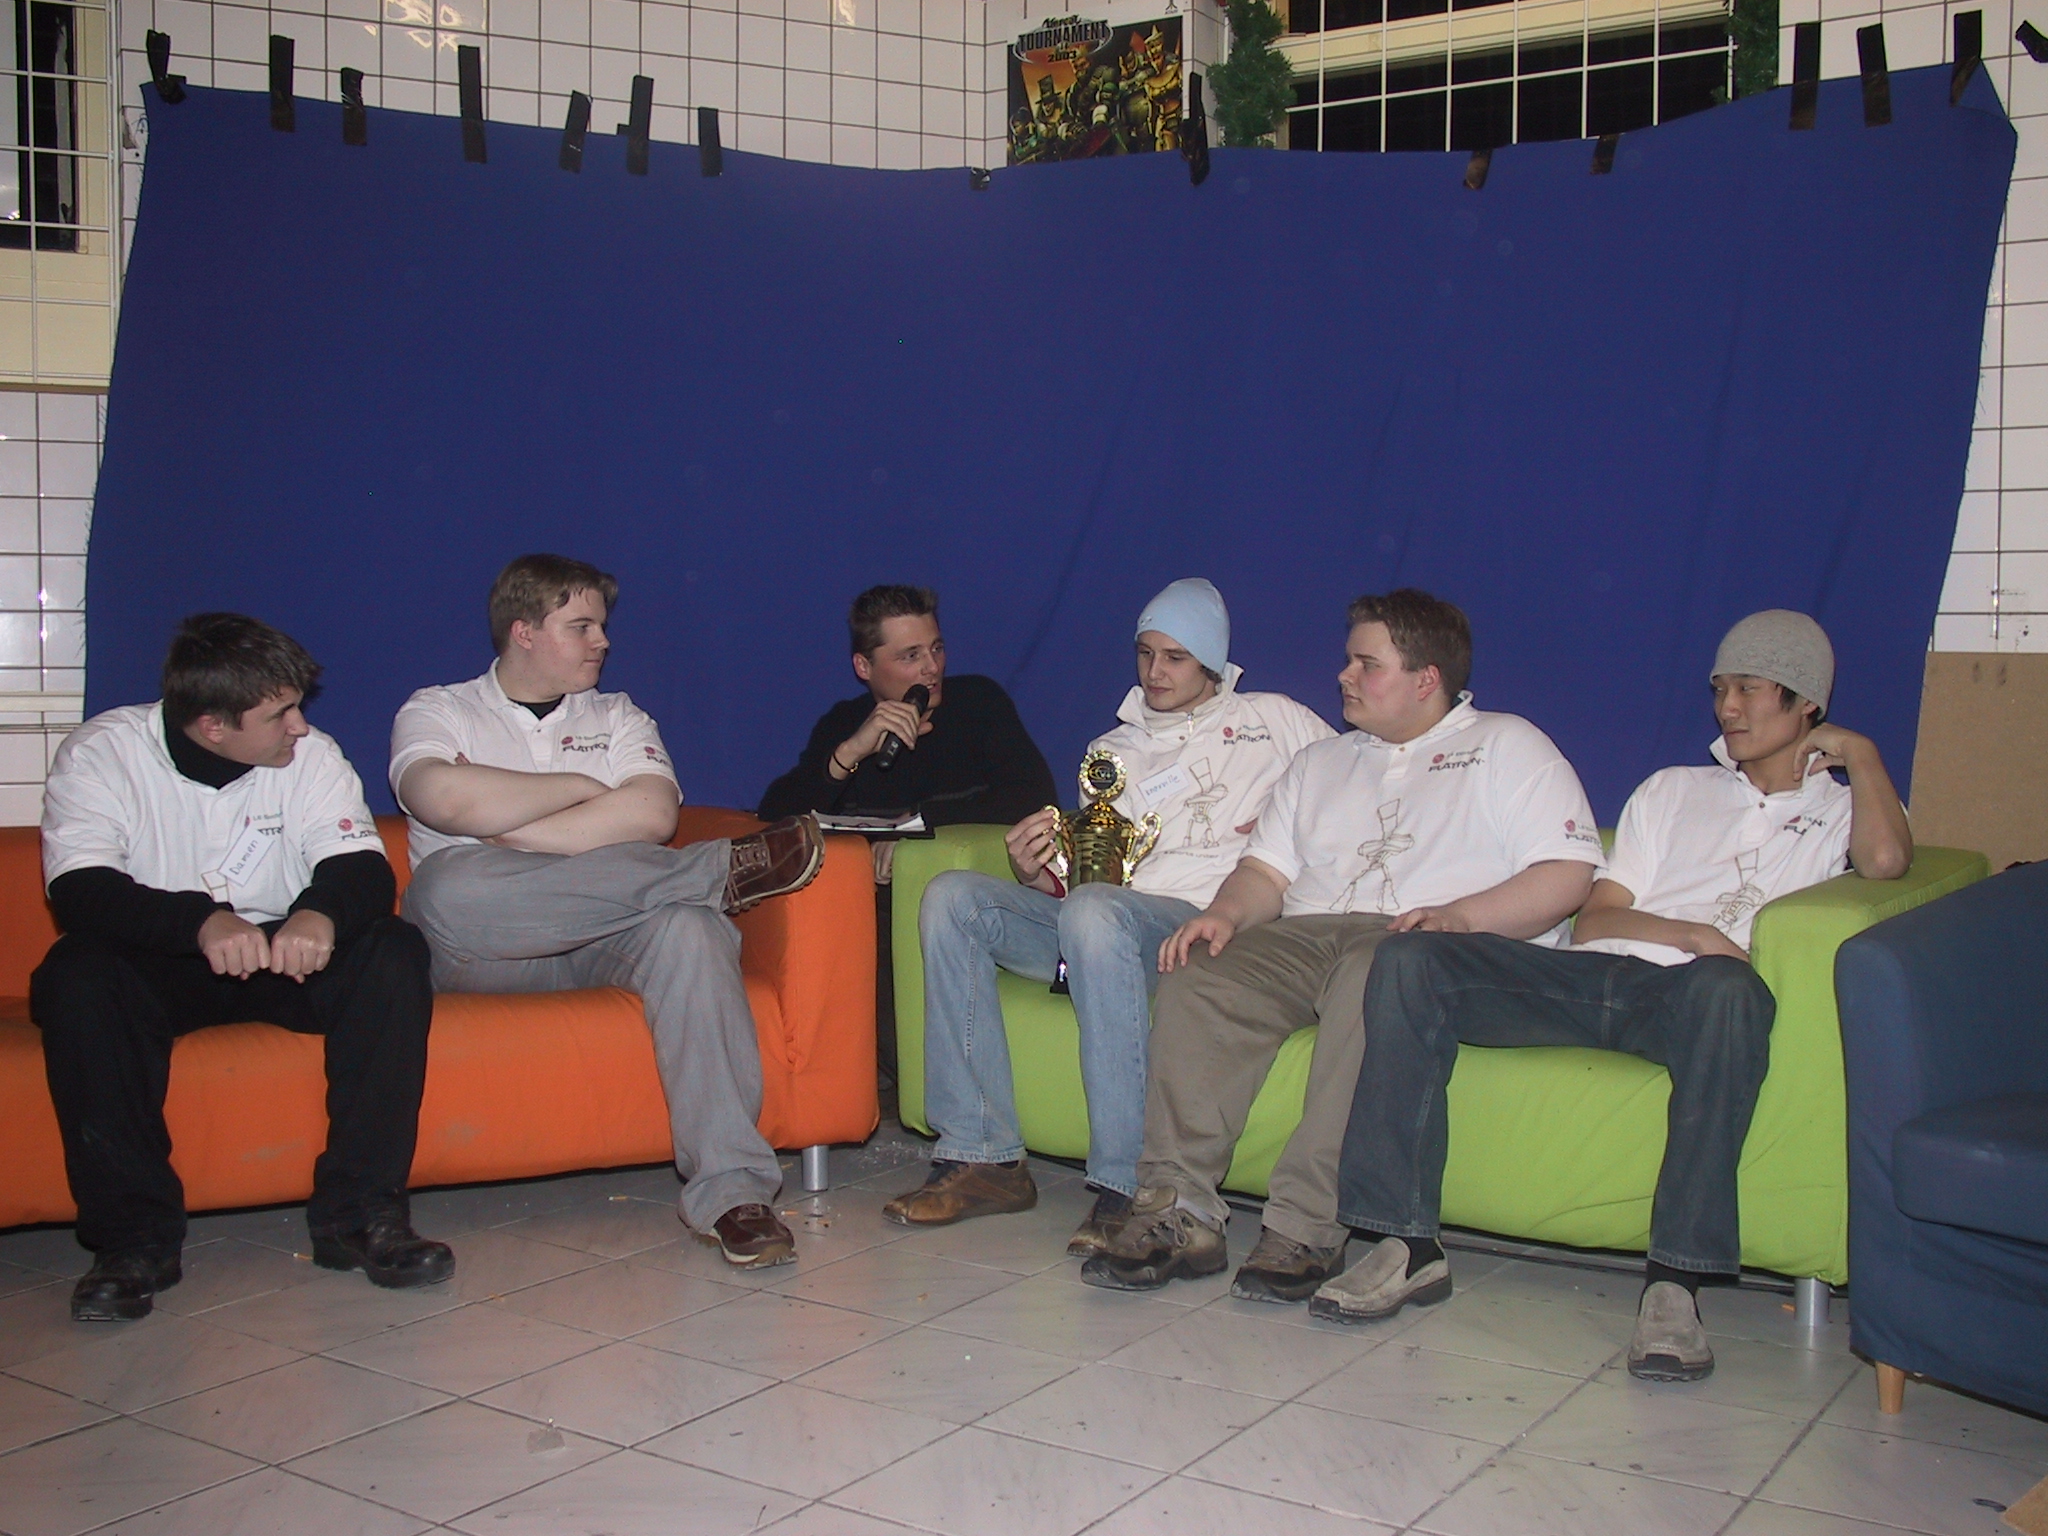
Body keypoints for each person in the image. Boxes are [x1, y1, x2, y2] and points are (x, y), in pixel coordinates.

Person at [1312, 610, 1911, 1382]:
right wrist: (1692, 932)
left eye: (1750, 690)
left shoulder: (1841, 812)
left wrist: (1863, 756)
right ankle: (1402, 1241)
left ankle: (1674, 1286)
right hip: (1596, 978)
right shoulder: (1673, 791)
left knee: (1728, 988)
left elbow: (1887, 863)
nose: (1728, 708)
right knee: (1410, 958)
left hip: (1698, 1001)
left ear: (1807, 705)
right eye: (1720, 689)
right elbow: (1594, 920)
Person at [1081, 589, 1605, 1299]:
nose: (1344, 676)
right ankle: (1178, 1211)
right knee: (1203, 969)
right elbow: (1266, 873)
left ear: (1426, 679)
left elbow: (1569, 874)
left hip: (1440, 944)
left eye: (1367, 665)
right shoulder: (1321, 761)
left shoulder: (1507, 745)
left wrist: (1459, 917)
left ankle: (1305, 1226)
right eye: (1348, 661)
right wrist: (1226, 914)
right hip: (1312, 936)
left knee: (1377, 968)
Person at [391, 554, 824, 1269]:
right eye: (582, 626)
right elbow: (443, 799)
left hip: (607, 935)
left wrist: (509, 824)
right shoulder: (439, 710)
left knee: (692, 929)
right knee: (445, 886)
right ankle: (713, 873)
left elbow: (652, 814)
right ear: (524, 631)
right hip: (484, 945)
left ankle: (733, 1196)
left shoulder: (619, 714)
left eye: (601, 626)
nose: (603, 641)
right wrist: (582, 786)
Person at [883, 579, 1334, 1254]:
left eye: (1176, 657)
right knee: (954, 898)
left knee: (1096, 916)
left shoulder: (1276, 720)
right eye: (1146, 653)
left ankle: (1127, 1182)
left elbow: (1347, 783)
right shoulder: (1113, 751)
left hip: (1217, 926)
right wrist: (1035, 870)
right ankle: (983, 1154)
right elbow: (1095, 879)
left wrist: (1285, 831)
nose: (1156, 671)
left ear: (1213, 661)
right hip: (1114, 922)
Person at [33, 614, 450, 1322]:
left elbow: (361, 867)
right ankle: (134, 1242)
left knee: (392, 951)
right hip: (164, 957)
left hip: (287, 953)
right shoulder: (103, 753)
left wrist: (319, 914)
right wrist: (198, 923)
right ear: (212, 726)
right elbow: (80, 889)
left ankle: (360, 1217)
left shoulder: (313, 757)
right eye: (279, 714)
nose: (300, 726)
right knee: (77, 975)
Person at [758, 584, 1057, 1079]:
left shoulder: (978, 703)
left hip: (960, 895)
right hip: (866, 908)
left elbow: (1032, 795)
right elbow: (776, 814)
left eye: (936, 649)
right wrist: (850, 753)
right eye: (910, 656)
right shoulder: (846, 724)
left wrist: (914, 833)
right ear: (864, 667)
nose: (931, 668)